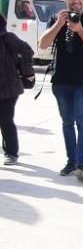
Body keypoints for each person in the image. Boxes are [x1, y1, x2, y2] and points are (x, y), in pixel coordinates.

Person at [39, 0, 83, 182]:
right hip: (61, 80)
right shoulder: (56, 18)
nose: (76, 2)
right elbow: (42, 44)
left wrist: (80, 30)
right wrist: (59, 24)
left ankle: (82, 165)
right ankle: (71, 161)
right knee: (67, 123)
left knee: (82, 123)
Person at [0, 14, 35, 166]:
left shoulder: (8, 38)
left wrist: (27, 72)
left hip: (9, 88)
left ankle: (11, 153)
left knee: (5, 120)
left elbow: (27, 50)